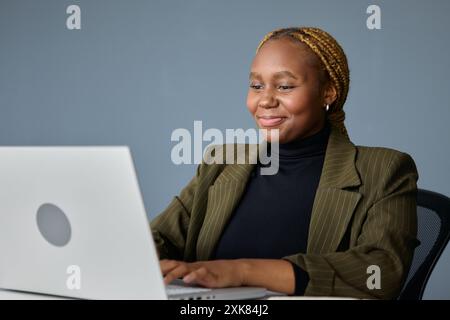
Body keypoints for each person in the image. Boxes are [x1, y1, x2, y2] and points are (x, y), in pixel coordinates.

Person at [150, 27, 419, 299]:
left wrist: (242, 271)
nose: (265, 100)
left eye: (285, 86)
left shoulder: (385, 169)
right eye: (256, 86)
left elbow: (382, 271)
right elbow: (159, 237)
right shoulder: (222, 163)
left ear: (328, 93)